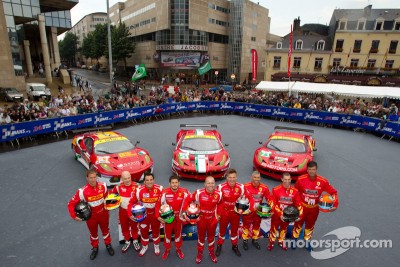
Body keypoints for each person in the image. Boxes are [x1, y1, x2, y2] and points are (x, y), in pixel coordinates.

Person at [67, 169, 115, 260]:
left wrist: (110, 205)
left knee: (106, 230)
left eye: (94, 177)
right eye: (91, 178)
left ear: (97, 177)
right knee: (93, 233)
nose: (93, 180)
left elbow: (107, 198)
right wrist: (74, 216)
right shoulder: (82, 191)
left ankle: (108, 245)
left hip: (103, 214)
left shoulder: (103, 186)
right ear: (87, 178)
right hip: (91, 217)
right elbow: (70, 204)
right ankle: (95, 247)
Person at [292, 161, 339, 251]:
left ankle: (307, 241)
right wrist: (294, 206)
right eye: (310, 169)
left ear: (316, 169)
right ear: (307, 170)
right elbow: (295, 192)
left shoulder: (323, 181)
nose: (311, 171)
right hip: (302, 207)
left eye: (313, 169)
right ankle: (294, 239)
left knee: (310, 226)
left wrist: (335, 205)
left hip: (314, 209)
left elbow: (333, 192)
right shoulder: (300, 179)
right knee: (298, 224)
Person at [182, 176, 222, 264]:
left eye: (212, 183)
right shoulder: (199, 193)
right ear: (205, 184)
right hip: (201, 220)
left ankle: (211, 253)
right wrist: (185, 212)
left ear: (214, 184)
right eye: (208, 183)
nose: (210, 185)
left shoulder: (219, 194)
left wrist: (218, 215)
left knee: (211, 238)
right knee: (201, 238)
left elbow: (220, 204)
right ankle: (200, 253)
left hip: (212, 220)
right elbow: (187, 199)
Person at [216, 168, 253, 257]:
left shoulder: (241, 187)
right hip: (224, 213)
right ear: (227, 177)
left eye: (234, 177)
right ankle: (219, 246)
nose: (232, 179)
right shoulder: (220, 187)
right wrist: (218, 214)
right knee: (222, 231)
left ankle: (234, 246)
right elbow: (217, 202)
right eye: (230, 177)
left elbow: (250, 198)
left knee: (234, 231)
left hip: (235, 213)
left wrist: (249, 209)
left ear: (236, 177)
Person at [127, 172, 163, 256]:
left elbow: (164, 202)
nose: (149, 182)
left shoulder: (160, 189)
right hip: (144, 216)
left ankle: (156, 245)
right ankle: (144, 246)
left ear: (154, 180)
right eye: (147, 180)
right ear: (144, 182)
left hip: (155, 215)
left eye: (151, 180)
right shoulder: (139, 190)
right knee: (143, 232)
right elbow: (131, 202)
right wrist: (129, 213)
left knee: (156, 231)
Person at [155, 175, 190, 260]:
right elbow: (158, 205)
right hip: (168, 218)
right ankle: (167, 250)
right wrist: (157, 216)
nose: (174, 184)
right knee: (167, 235)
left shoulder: (185, 192)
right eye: (173, 183)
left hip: (179, 218)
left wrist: (189, 213)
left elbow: (191, 200)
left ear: (179, 183)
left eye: (176, 182)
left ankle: (178, 249)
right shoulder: (164, 192)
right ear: (169, 184)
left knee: (178, 235)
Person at [268, 172, 303, 251]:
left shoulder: (295, 191)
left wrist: (300, 216)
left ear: (291, 180)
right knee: (273, 229)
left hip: (288, 216)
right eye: (285, 179)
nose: (287, 181)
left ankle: (281, 241)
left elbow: (299, 204)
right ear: (282, 179)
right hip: (277, 215)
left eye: (288, 179)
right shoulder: (275, 190)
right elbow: (273, 204)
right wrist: (280, 214)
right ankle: (271, 242)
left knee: (284, 229)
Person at [109, 171, 141, 253]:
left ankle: (135, 241)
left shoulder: (137, 186)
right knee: (124, 227)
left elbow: (142, 197)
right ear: (122, 179)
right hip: (122, 211)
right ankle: (127, 241)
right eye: (125, 179)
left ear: (131, 177)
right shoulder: (118, 187)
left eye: (128, 178)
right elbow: (110, 195)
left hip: (134, 211)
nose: (127, 180)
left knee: (134, 227)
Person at [242, 171, 271, 250]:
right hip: (248, 211)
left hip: (258, 211)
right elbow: (239, 198)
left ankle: (255, 239)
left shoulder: (264, 187)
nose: (256, 179)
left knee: (257, 226)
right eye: (255, 177)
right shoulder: (245, 186)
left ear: (260, 178)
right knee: (246, 226)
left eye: (258, 178)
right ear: (251, 177)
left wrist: (272, 207)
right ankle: (245, 240)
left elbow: (269, 198)